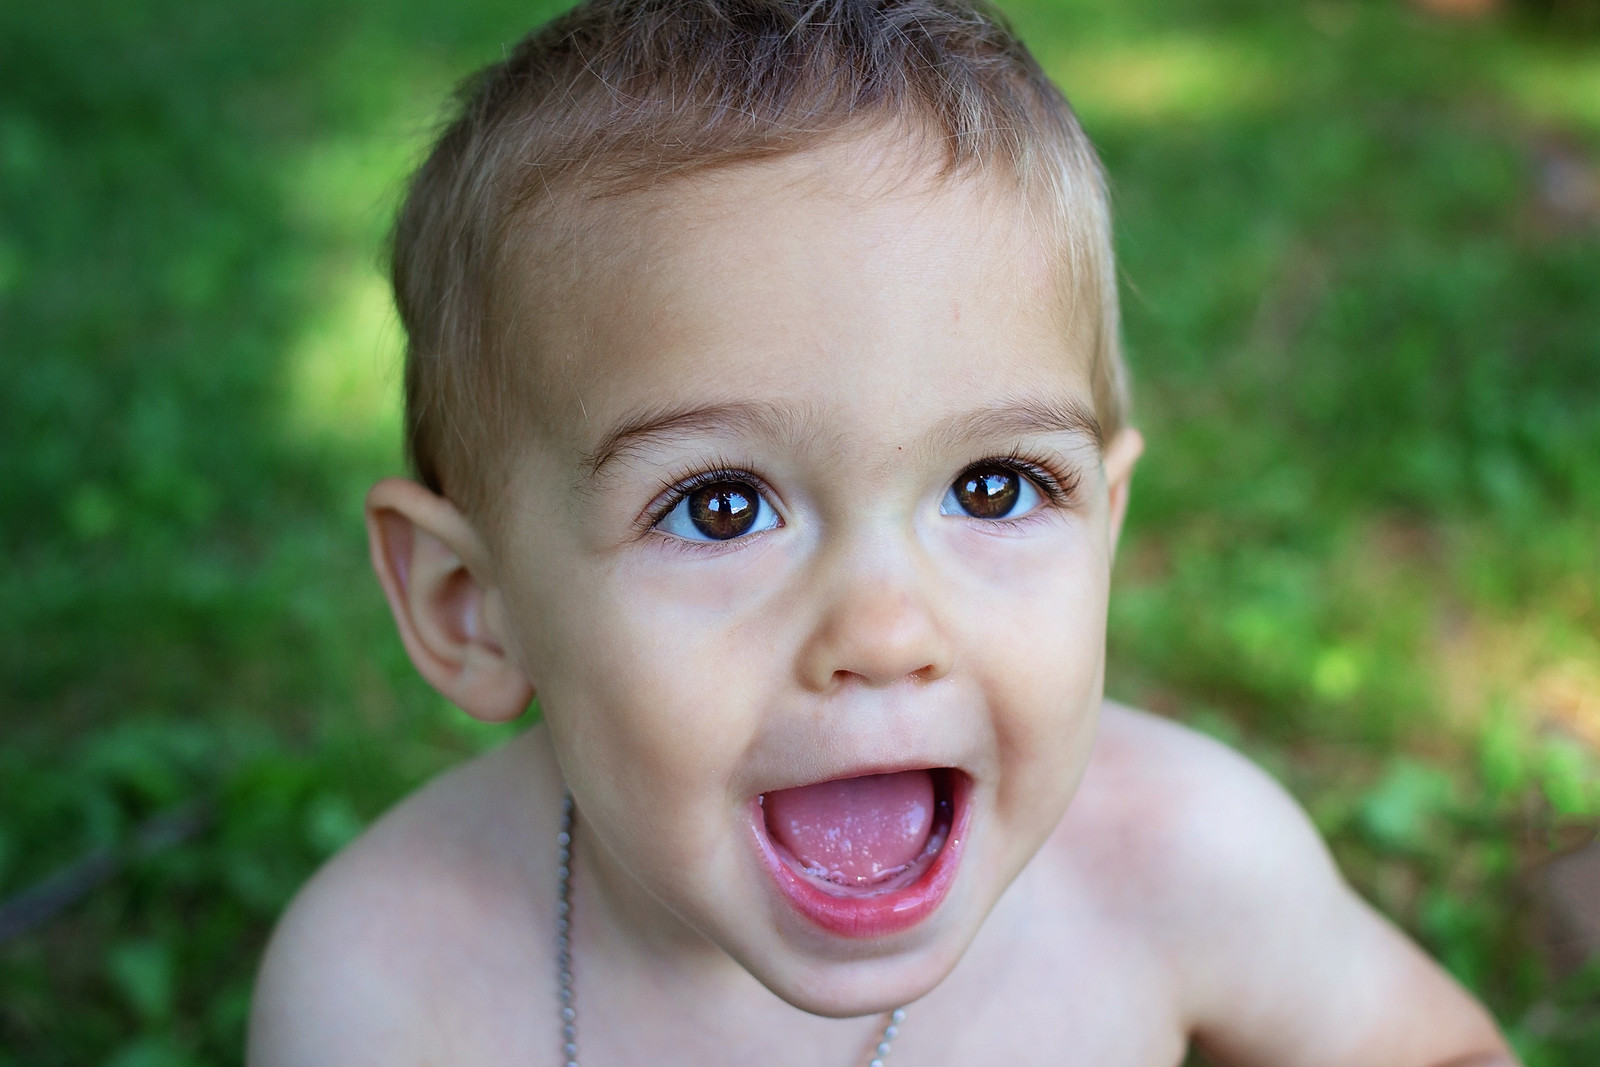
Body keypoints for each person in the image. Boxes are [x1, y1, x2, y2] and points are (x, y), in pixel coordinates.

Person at [247, 1, 1518, 1063]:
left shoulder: (1179, 863)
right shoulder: (388, 991)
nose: (884, 628)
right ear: (471, 604)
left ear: (1108, 528)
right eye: (720, 505)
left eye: (994, 486)